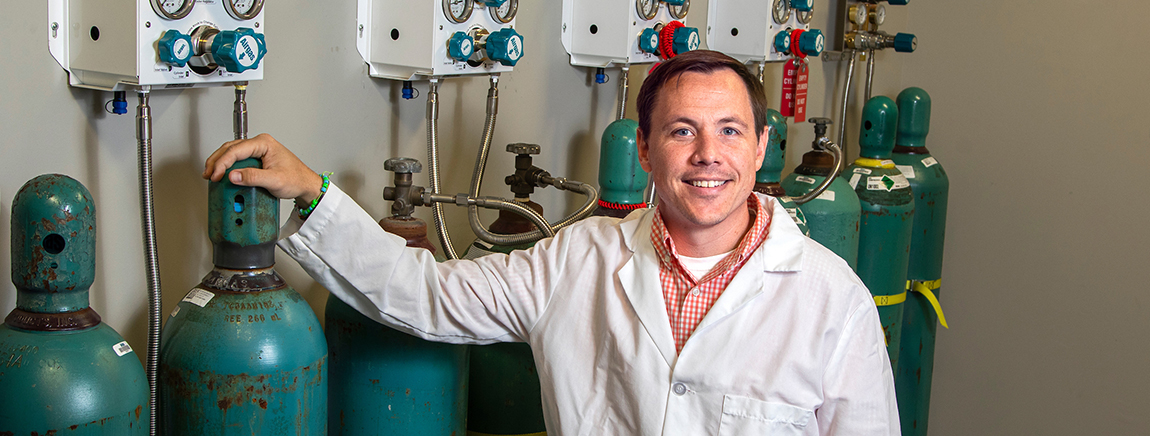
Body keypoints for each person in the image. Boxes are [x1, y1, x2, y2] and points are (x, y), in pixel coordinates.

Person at [204, 50, 898, 435]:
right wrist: (311, 193)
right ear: (649, 150)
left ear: (761, 146)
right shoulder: (580, 258)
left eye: (730, 130)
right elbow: (422, 295)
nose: (707, 154)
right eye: (682, 131)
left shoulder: (831, 298)